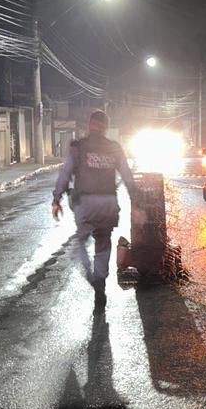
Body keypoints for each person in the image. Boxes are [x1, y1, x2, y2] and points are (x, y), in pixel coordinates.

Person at [52, 110, 138, 307]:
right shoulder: (114, 148)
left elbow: (65, 174)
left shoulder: (78, 147)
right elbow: (127, 175)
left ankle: (91, 275)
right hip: (108, 203)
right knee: (103, 242)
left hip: (85, 204)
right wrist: (137, 201)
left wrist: (57, 198)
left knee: (81, 241)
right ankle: (100, 280)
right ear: (106, 127)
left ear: (89, 125)